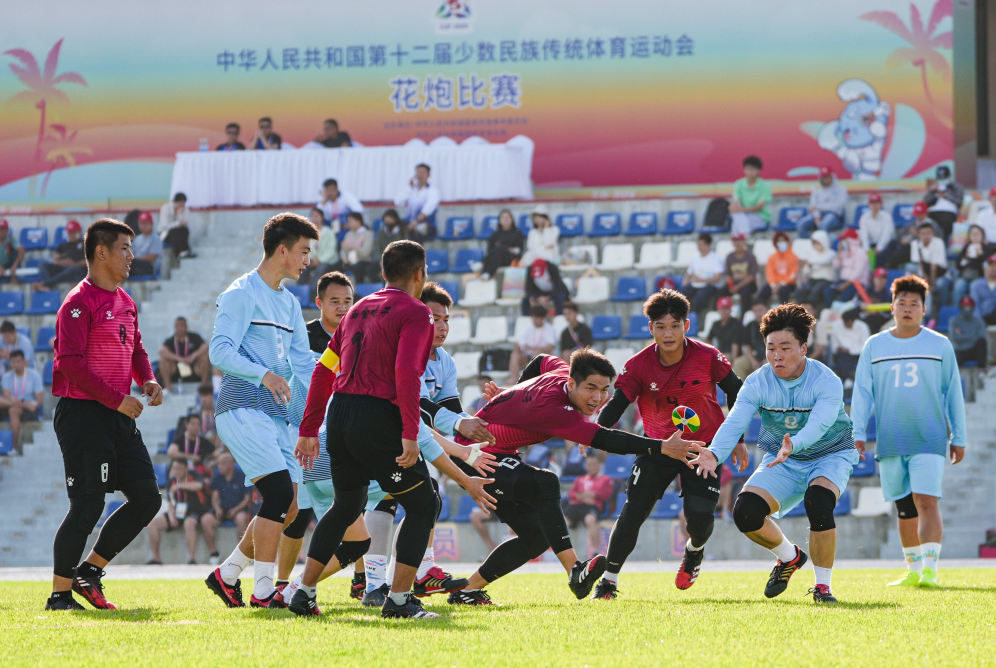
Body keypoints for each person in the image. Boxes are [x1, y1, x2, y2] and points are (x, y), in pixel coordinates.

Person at [291, 240, 496, 619]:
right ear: (420, 274)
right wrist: (409, 432)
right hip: (377, 416)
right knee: (424, 503)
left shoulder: (357, 310)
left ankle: (303, 593)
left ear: (384, 273)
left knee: (346, 505)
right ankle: (399, 601)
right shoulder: (417, 312)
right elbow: (406, 373)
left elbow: (323, 370)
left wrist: (309, 428)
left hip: (340, 416)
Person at [446, 349, 706, 606]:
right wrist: (661, 446)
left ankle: (467, 591)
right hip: (473, 454)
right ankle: (575, 570)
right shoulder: (554, 409)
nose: (597, 398)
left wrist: (514, 391)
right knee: (545, 481)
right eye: (590, 388)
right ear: (571, 384)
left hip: (493, 454)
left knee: (536, 537)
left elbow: (540, 361)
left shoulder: (562, 371)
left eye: (604, 389)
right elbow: (606, 439)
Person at [690, 303, 859, 604]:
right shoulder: (757, 382)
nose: (776, 355)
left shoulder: (826, 381)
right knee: (745, 513)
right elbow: (735, 421)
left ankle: (822, 588)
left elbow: (820, 423)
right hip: (783, 457)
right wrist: (714, 454)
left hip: (830, 453)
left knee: (819, 500)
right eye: (771, 348)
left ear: (804, 348)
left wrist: (796, 443)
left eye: (785, 348)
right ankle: (790, 556)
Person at [591, 289, 747, 600]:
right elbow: (618, 403)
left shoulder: (707, 355)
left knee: (700, 522)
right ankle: (608, 581)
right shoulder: (638, 365)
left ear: (686, 326)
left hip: (703, 449)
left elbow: (737, 390)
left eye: (675, 326)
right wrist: (593, 432)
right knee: (633, 512)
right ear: (651, 328)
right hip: (658, 447)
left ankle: (694, 551)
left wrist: (738, 439)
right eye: (661, 327)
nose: (668, 334)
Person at [46, 218, 164, 611]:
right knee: (87, 506)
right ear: (101, 252)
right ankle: (59, 596)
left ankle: (90, 571)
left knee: (147, 498)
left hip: (116, 414)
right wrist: (117, 399)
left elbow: (136, 349)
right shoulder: (78, 302)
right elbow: (70, 362)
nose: (131, 255)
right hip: (83, 414)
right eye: (124, 248)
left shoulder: (125, 300)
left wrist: (148, 379)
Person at [203, 212, 320, 609]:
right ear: (282, 250)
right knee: (278, 493)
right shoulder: (241, 293)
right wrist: (264, 374)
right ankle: (265, 590)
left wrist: (329, 399)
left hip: (277, 413)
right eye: (303, 251)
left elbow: (303, 364)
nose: (307, 260)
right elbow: (219, 351)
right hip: (241, 405)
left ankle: (227, 574)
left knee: (291, 505)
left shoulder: (289, 304)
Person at [361, 281, 496, 605]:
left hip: (410, 437)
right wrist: (461, 431)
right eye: (435, 318)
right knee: (385, 502)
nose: (443, 326)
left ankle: (390, 582)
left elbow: (447, 409)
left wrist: (479, 428)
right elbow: (418, 406)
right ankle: (382, 583)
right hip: (380, 433)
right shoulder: (405, 351)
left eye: (447, 319)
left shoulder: (445, 360)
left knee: (414, 499)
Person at [850, 275, 966, 588]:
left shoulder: (939, 344)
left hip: (929, 438)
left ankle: (931, 570)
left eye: (914, 304)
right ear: (892, 307)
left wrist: (959, 437)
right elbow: (862, 392)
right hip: (890, 440)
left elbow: (953, 393)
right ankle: (913, 570)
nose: (907, 308)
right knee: (903, 506)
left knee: (926, 500)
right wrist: (858, 431)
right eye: (902, 303)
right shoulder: (875, 345)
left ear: (924, 309)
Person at [147, 459, 219, 565]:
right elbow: (171, 503)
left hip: (195, 511)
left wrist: (180, 486)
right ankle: (156, 558)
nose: (176, 471)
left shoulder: (194, 475)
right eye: (174, 468)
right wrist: (171, 517)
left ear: (186, 468)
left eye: (179, 469)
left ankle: (191, 558)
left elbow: (198, 485)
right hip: (178, 513)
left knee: (189, 523)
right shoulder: (171, 481)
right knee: (153, 524)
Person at [564, 454, 614, 558]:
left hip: (592, 506)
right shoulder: (580, 479)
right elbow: (571, 494)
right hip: (577, 505)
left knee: (590, 520)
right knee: (564, 521)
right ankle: (564, 550)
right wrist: (583, 496)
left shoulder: (605, 479)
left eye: (594, 464)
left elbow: (606, 494)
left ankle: (596, 550)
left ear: (599, 465)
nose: (592, 467)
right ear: (585, 466)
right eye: (589, 465)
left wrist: (593, 494)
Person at [0, 349, 43, 450]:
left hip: (29, 409)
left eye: (18, 361)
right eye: (13, 362)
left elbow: (39, 400)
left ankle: (13, 447)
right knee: (13, 409)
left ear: (24, 362)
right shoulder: (7, 376)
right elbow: (6, 395)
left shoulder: (34, 375)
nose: (16, 364)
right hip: (16, 404)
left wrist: (27, 404)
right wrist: (23, 403)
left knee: (14, 410)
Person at [157, 316, 211, 395]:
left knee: (205, 357)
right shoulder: (171, 340)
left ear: (186, 327)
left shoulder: (194, 337)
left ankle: (203, 387)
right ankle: (168, 388)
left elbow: (206, 346)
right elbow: (161, 350)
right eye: (177, 326)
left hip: (194, 368)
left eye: (182, 325)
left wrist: (193, 356)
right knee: (163, 360)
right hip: (177, 370)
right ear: (174, 327)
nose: (180, 328)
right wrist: (179, 359)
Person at [507, 305, 557, 384]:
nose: (537, 320)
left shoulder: (549, 329)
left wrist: (534, 349)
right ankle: (514, 379)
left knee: (537, 354)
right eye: (535, 317)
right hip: (527, 358)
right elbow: (521, 346)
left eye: (539, 318)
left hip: (543, 359)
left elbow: (550, 347)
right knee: (515, 355)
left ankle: (532, 380)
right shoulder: (527, 329)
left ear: (543, 318)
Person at [911, 221, 949, 320]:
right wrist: (925, 280)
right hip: (925, 275)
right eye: (923, 233)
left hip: (941, 275)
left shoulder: (938, 243)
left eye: (928, 233)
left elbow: (934, 267)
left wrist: (932, 285)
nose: (926, 236)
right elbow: (919, 263)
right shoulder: (915, 244)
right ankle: (925, 317)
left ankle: (941, 312)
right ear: (919, 235)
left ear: (933, 234)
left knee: (941, 284)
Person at [796, 167, 848, 238]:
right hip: (817, 216)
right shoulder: (816, 192)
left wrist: (818, 207)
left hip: (833, 216)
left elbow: (838, 206)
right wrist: (817, 216)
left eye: (828, 177)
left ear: (832, 177)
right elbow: (812, 207)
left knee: (824, 224)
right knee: (801, 224)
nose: (826, 179)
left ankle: (822, 244)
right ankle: (808, 243)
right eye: (824, 177)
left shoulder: (841, 190)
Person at [211, 452, 252, 541]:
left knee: (241, 519)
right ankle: (213, 549)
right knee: (205, 520)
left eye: (223, 464)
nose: (219, 467)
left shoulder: (242, 477)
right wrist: (217, 509)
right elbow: (214, 499)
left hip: (238, 510)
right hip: (222, 511)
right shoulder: (217, 477)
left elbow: (246, 499)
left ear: (231, 465)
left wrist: (235, 510)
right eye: (218, 464)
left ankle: (242, 548)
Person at [394, 163, 440, 243]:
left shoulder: (433, 191)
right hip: (409, 222)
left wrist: (415, 222)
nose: (420, 175)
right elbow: (398, 201)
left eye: (423, 172)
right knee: (393, 227)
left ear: (428, 175)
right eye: (418, 172)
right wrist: (409, 188)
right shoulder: (411, 190)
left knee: (418, 230)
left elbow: (427, 210)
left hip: (426, 224)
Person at [683, 232, 724, 319]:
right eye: (698, 244)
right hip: (695, 284)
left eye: (701, 245)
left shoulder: (716, 258)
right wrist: (685, 281)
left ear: (708, 245)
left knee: (700, 297)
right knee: (681, 295)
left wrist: (701, 280)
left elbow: (717, 278)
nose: (699, 247)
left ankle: (692, 317)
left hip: (710, 286)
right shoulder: (695, 257)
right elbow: (689, 272)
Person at [824, 228, 869, 307]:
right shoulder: (844, 252)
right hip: (844, 280)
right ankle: (830, 311)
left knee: (844, 298)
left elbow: (857, 272)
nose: (842, 242)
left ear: (850, 240)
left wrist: (845, 284)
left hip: (857, 283)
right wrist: (839, 251)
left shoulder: (860, 253)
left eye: (844, 239)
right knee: (828, 291)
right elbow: (836, 265)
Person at [35, 219, 86, 289]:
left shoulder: (86, 244)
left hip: (78, 269)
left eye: (74, 232)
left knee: (72, 269)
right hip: (63, 267)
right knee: (42, 265)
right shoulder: (63, 245)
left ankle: (46, 284)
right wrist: (62, 262)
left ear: (79, 231)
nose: (72, 235)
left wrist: (74, 263)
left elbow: (89, 262)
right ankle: (47, 287)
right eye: (70, 233)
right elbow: (55, 260)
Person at [951, 224, 994, 306]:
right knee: (958, 286)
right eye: (973, 234)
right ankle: (956, 311)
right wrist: (966, 258)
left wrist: (981, 255)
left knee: (974, 286)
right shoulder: (966, 248)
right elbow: (958, 266)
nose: (975, 236)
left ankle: (974, 311)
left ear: (982, 236)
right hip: (964, 276)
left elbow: (990, 266)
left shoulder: (987, 249)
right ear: (969, 236)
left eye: (977, 234)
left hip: (980, 276)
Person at [730, 155, 772, 236]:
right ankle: (744, 238)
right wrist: (733, 208)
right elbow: (735, 203)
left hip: (760, 217)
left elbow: (759, 207)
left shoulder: (764, 185)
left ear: (759, 171)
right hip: (743, 215)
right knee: (738, 218)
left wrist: (740, 210)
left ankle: (740, 239)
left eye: (752, 169)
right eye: (747, 169)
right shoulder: (739, 184)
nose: (749, 172)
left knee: (736, 224)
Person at [480, 208, 526, 279]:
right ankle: (486, 274)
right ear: (499, 220)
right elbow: (490, 250)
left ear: (512, 219)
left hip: (511, 259)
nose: (505, 219)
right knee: (497, 252)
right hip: (497, 258)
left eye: (507, 217)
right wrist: (508, 248)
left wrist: (506, 249)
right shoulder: (496, 233)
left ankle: (484, 267)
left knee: (499, 249)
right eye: (502, 218)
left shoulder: (517, 232)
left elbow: (518, 250)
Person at [923, 165, 965, 242]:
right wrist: (931, 191)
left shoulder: (956, 187)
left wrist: (946, 196)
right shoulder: (933, 188)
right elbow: (925, 203)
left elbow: (959, 202)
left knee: (943, 229)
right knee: (928, 227)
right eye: (940, 179)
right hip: (933, 214)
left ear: (949, 176)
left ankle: (941, 244)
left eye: (944, 178)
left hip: (949, 215)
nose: (942, 180)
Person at [829, 308, 870, 387]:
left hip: (859, 354)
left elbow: (865, 346)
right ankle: (848, 379)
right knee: (842, 356)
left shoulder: (863, 327)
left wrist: (850, 350)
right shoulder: (836, 326)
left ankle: (848, 380)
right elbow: (834, 346)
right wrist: (839, 348)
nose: (848, 324)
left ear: (854, 320)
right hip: (843, 354)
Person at [794, 230, 835, 309]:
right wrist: (809, 267)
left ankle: (811, 310)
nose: (816, 245)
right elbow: (806, 271)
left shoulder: (830, 253)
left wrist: (807, 261)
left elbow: (824, 261)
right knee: (801, 291)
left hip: (826, 280)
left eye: (818, 242)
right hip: (813, 279)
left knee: (816, 291)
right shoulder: (812, 254)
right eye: (814, 243)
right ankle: (800, 310)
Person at [858, 193, 898, 268]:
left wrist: (879, 248)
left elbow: (887, 235)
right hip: (871, 245)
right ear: (869, 205)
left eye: (877, 203)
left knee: (880, 259)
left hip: (886, 245)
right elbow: (864, 235)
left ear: (881, 204)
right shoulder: (864, 217)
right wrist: (866, 250)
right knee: (862, 256)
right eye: (872, 203)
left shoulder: (886, 216)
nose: (874, 205)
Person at [757, 231, 798, 304]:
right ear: (775, 243)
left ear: (787, 242)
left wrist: (781, 284)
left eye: (783, 240)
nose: (781, 243)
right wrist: (773, 285)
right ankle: (762, 310)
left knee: (783, 292)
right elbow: (769, 272)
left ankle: (784, 311)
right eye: (779, 241)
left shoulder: (793, 257)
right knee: (763, 293)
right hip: (774, 283)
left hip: (788, 283)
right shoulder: (772, 257)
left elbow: (793, 274)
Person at [949, 296, 987, 371]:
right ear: (960, 308)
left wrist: (962, 335)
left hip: (973, 350)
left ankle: (982, 371)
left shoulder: (978, 321)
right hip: (960, 350)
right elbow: (954, 338)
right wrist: (972, 335)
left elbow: (981, 337)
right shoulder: (954, 321)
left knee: (982, 343)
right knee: (952, 357)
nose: (967, 310)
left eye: (969, 307)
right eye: (965, 307)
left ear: (973, 308)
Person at [732, 300, 768, 382]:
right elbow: (746, 346)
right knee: (738, 363)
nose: (758, 314)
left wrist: (769, 359)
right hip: (756, 356)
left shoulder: (776, 325)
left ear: (767, 309)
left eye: (760, 310)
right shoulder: (750, 326)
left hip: (772, 357)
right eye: (755, 311)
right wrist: (752, 360)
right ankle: (739, 388)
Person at [721, 232, 758, 308]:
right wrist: (731, 286)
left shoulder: (750, 257)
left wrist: (738, 286)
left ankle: (746, 312)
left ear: (744, 242)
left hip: (747, 283)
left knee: (746, 292)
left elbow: (751, 277)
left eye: (739, 241)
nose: (737, 243)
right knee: (721, 292)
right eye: (735, 241)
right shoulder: (730, 257)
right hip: (733, 283)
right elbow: (727, 274)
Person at [338, 212, 375, 283]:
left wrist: (353, 247)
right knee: (336, 266)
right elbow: (343, 250)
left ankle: (359, 287)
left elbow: (365, 253)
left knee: (359, 266)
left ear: (358, 221)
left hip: (363, 261)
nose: (348, 224)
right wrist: (344, 258)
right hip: (349, 260)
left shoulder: (368, 234)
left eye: (350, 221)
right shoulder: (348, 234)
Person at [706, 296, 743, 362]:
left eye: (726, 309)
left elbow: (735, 344)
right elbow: (709, 339)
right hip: (720, 353)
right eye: (722, 309)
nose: (724, 312)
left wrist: (734, 360)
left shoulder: (737, 323)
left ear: (730, 310)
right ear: (718, 310)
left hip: (732, 354)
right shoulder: (716, 324)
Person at [157, 193, 195, 259]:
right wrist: (177, 223)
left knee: (185, 230)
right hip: (163, 234)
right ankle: (180, 253)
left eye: (182, 205)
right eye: (179, 205)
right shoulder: (165, 208)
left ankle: (185, 251)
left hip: (177, 233)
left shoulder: (184, 210)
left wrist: (179, 214)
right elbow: (164, 226)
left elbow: (184, 223)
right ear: (174, 202)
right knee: (174, 231)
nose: (180, 207)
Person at [131, 212, 163, 277]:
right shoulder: (137, 239)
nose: (144, 226)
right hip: (135, 265)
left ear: (151, 224)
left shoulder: (156, 238)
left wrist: (135, 258)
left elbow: (152, 258)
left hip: (148, 267)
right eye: (141, 223)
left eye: (146, 223)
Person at [970, 254, 996, 324]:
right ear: (986, 267)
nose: (994, 269)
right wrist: (979, 323)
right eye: (991, 266)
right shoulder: (976, 285)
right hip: (982, 319)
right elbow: (975, 306)